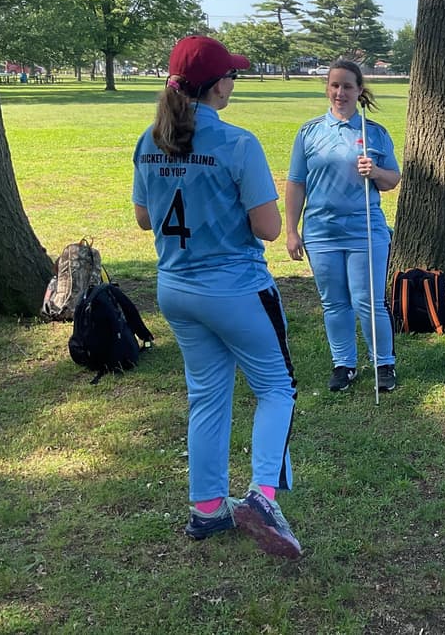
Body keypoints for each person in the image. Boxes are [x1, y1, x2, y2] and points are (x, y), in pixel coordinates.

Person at [131, 35, 301, 559]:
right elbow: (269, 229)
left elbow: (143, 218)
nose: (234, 81)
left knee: (206, 395)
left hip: (176, 288)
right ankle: (262, 497)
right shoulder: (238, 143)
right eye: (230, 75)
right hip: (235, 289)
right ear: (214, 86)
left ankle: (206, 508)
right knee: (277, 387)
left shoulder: (148, 139)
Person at [285, 60, 401, 392]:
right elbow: (296, 184)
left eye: (348, 86)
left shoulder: (374, 133)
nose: (340, 93)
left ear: (359, 91)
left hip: (365, 230)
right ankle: (344, 365)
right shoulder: (309, 132)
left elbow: (393, 178)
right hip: (321, 231)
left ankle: (383, 363)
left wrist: (375, 172)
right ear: (327, 88)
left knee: (368, 301)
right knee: (334, 302)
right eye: (335, 86)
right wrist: (293, 231)